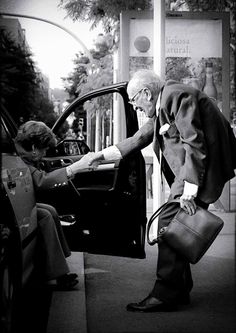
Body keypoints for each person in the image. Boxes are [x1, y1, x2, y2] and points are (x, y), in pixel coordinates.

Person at [88, 69, 236, 312]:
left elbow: (194, 142)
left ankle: (165, 294)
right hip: (192, 172)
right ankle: (179, 290)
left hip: (198, 172)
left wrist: (189, 191)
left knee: (168, 227)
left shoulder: (175, 96)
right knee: (176, 229)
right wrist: (101, 156)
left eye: (134, 102)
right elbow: (137, 139)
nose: (135, 108)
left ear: (146, 93)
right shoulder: (162, 104)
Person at [14, 120, 95, 289]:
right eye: (43, 149)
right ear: (35, 147)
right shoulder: (19, 160)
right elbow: (40, 181)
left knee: (49, 210)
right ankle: (55, 274)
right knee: (44, 215)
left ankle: (57, 267)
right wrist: (74, 168)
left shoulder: (22, 154)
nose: (44, 154)